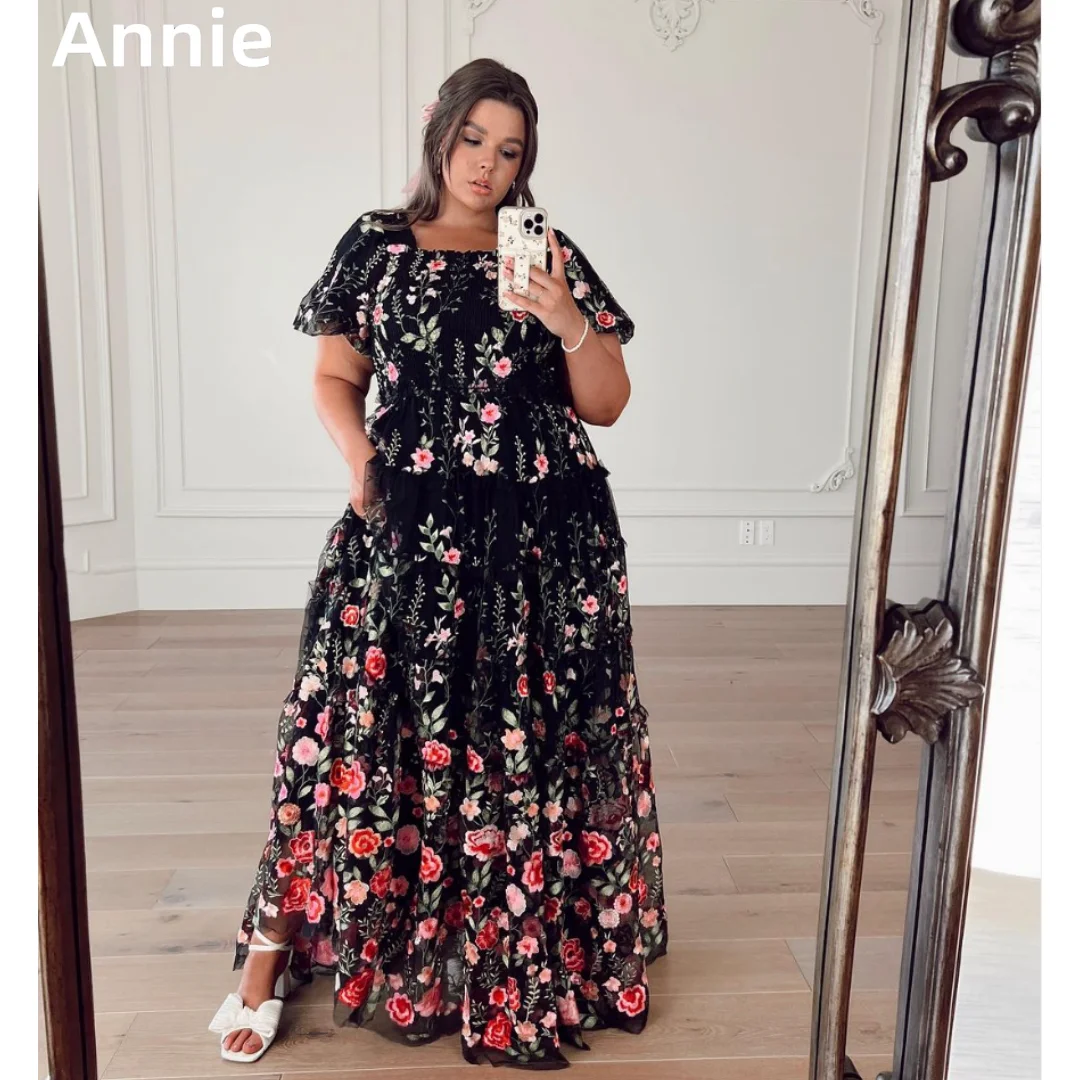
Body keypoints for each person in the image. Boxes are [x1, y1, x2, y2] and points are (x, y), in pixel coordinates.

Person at [210, 57, 668, 1070]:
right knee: (350, 725)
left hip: (540, 536)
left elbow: (606, 401)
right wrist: (359, 460)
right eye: (473, 140)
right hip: (409, 520)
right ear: (440, 133)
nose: (487, 165)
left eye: (509, 150)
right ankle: (265, 957)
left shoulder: (547, 250)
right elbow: (335, 374)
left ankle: (509, 938)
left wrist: (566, 318)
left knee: (517, 738)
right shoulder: (376, 244)